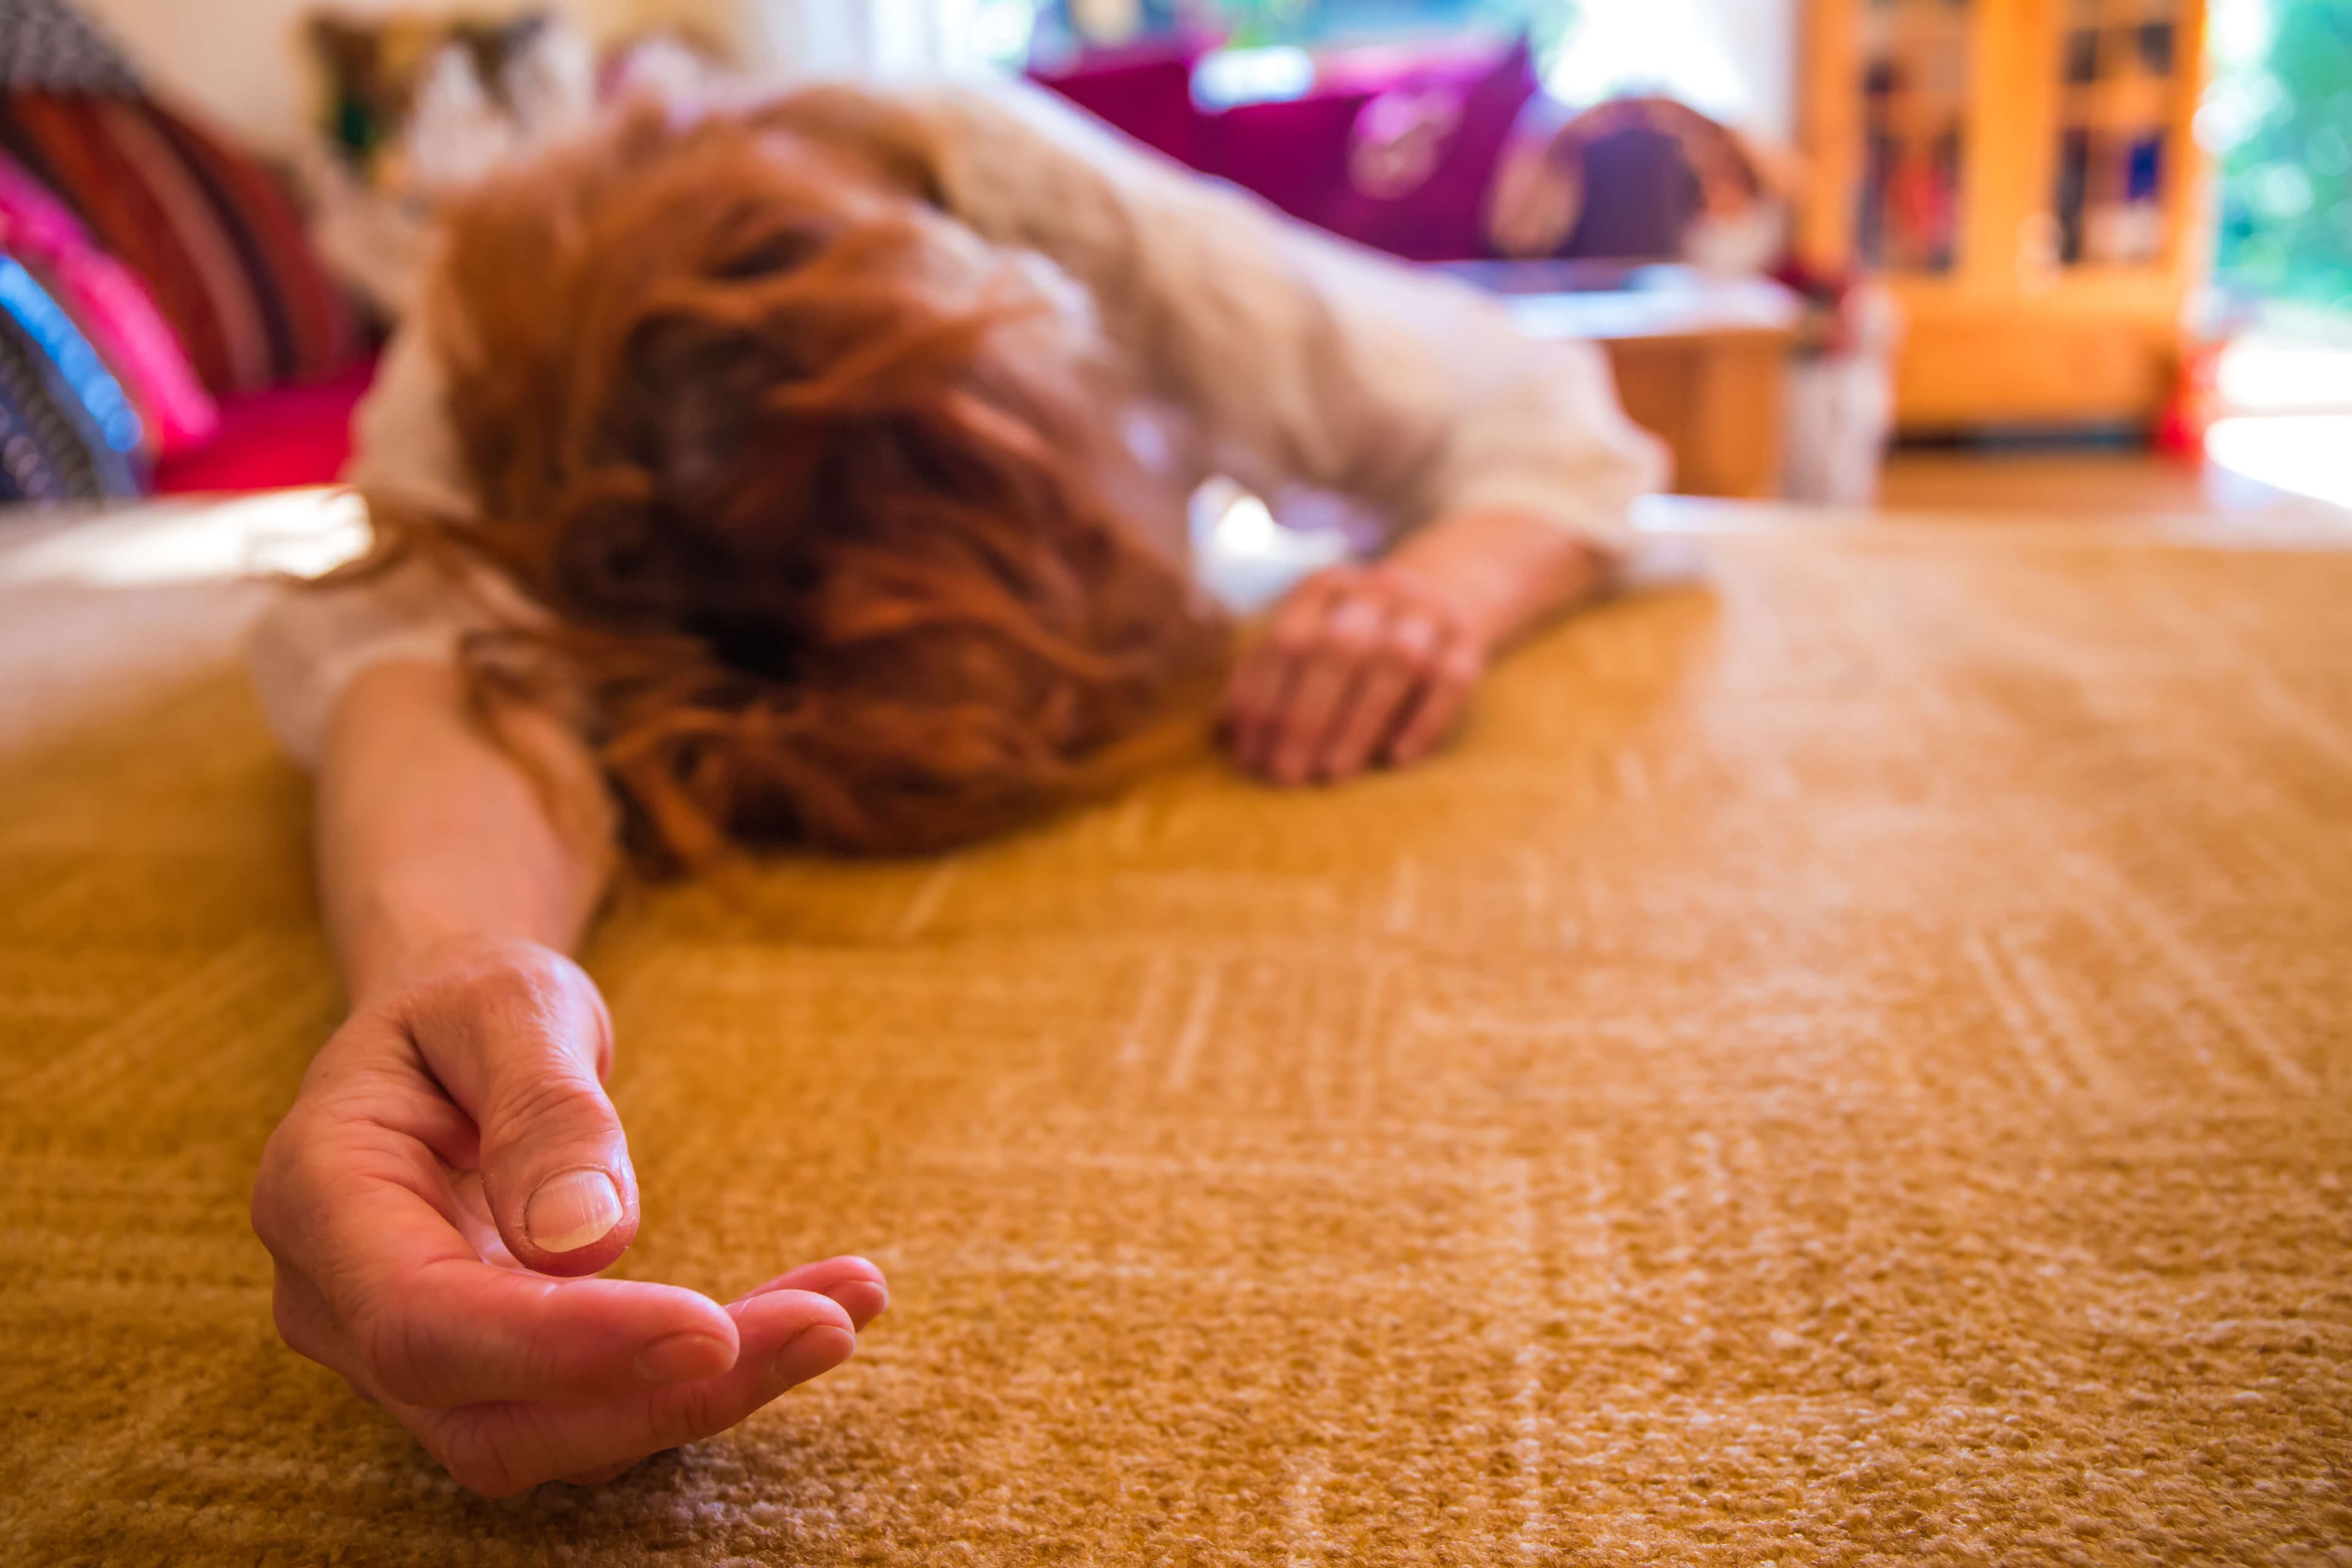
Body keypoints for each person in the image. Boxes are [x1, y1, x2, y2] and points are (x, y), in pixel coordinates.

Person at [244, 77, 1664, 1498]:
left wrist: (1438, 592)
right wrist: (446, 975)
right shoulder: (484, 359)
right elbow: (429, 669)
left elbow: (1536, 403)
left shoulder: (1057, 210)